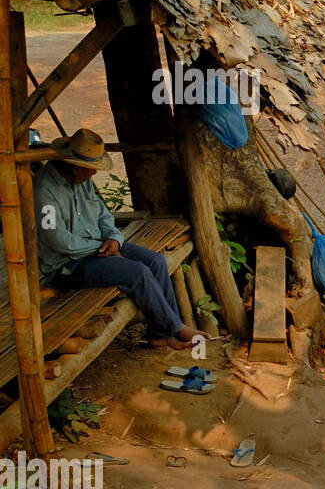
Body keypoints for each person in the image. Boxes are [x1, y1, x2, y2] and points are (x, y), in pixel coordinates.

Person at [34, 128, 203, 351]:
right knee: (137, 272)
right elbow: (59, 241)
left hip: (99, 249)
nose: (94, 174)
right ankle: (175, 328)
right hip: (66, 266)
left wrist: (113, 240)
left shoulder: (80, 179)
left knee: (156, 261)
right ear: (75, 167)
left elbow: (103, 214)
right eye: (91, 169)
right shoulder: (44, 191)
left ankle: (160, 334)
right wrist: (101, 249)